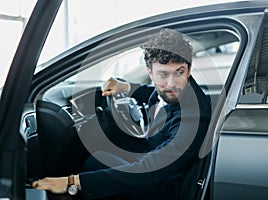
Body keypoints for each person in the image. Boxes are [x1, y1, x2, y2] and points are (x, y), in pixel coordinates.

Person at [32, 28, 211, 200]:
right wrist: (126, 87)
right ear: (150, 73)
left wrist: (71, 182)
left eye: (179, 73)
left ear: (188, 69)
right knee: (103, 150)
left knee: (94, 163)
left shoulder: (194, 115)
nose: (171, 84)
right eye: (163, 75)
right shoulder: (173, 91)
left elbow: (152, 170)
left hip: (165, 185)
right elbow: (154, 92)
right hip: (156, 152)